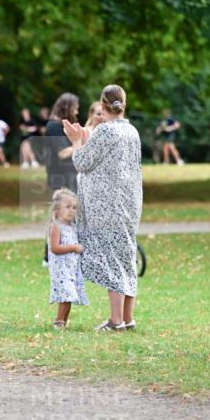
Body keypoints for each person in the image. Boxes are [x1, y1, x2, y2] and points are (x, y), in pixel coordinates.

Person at [64, 84, 142, 332]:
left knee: (111, 261)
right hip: (128, 204)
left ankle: (116, 321)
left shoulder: (106, 131)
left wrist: (76, 141)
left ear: (103, 103)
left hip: (106, 206)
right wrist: (86, 139)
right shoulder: (131, 131)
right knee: (126, 257)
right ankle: (127, 318)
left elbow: (81, 161)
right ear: (123, 104)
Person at [47, 187, 88, 330]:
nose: (72, 210)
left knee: (70, 294)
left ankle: (63, 321)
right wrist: (73, 247)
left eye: (74, 207)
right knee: (66, 294)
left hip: (71, 269)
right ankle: (58, 321)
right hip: (61, 269)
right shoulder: (56, 226)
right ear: (57, 210)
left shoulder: (72, 227)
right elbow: (54, 248)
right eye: (68, 207)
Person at [44, 92, 80, 193]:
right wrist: (81, 144)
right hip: (61, 176)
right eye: (75, 109)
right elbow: (62, 153)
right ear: (67, 107)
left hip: (67, 175)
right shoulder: (54, 126)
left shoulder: (58, 125)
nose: (76, 112)